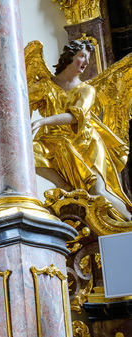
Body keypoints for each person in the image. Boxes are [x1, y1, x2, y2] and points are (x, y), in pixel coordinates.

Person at [31, 40, 131, 219]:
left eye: (88, 58)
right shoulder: (46, 86)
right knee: (30, 150)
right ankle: (65, 188)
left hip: (85, 144)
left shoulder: (87, 90)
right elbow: (18, 97)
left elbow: (75, 116)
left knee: (98, 192)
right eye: (82, 56)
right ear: (70, 56)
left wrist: (42, 122)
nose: (86, 62)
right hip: (55, 144)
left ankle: (128, 221)